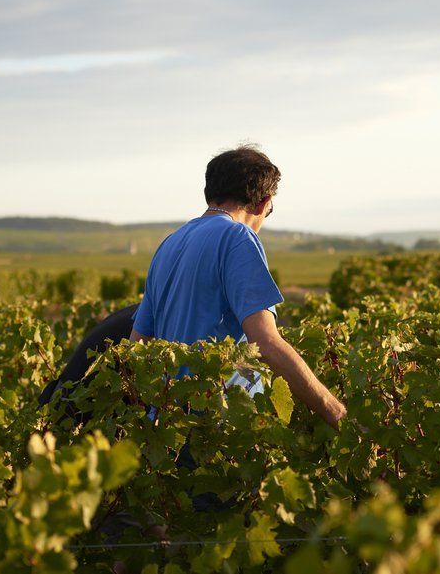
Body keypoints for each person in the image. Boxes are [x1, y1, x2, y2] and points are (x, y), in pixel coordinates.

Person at [129, 144, 346, 428]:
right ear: (262, 203)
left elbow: (137, 345)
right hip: (217, 429)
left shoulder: (170, 243)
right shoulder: (237, 237)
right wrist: (334, 411)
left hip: (167, 425)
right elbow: (265, 343)